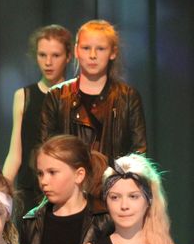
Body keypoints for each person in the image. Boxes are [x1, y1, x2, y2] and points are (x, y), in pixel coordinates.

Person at [41, 19, 146, 164]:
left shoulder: (128, 97)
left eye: (100, 49)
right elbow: (47, 150)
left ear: (113, 52)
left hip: (114, 178)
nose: (92, 55)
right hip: (69, 177)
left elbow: (139, 153)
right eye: (86, 48)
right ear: (76, 51)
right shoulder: (56, 96)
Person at [3, 24, 72, 212]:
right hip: (30, 190)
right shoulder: (24, 96)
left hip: (67, 191)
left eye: (55, 55)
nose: (48, 62)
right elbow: (15, 153)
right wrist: (1, 190)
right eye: (42, 55)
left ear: (68, 57)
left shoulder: (76, 97)